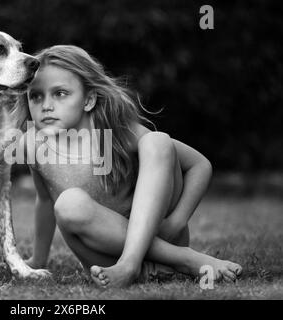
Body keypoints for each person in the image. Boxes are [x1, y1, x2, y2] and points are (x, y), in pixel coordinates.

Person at [14, 45, 242, 287]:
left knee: (157, 142)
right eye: (36, 96)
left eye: (60, 94)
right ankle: (175, 261)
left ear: (89, 99)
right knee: (68, 203)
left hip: (162, 237)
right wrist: (38, 259)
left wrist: (175, 223)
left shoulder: (114, 131)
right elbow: (46, 201)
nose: (46, 105)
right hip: (103, 259)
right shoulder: (33, 144)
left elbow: (199, 165)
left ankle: (135, 263)